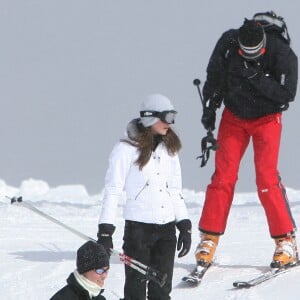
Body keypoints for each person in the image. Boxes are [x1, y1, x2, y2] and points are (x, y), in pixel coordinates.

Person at [195, 13, 298, 270]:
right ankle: (209, 237)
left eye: (255, 54)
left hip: (267, 119)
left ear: (263, 45)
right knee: (223, 177)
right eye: (246, 53)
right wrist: (210, 108)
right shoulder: (228, 44)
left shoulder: (283, 54)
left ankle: (286, 241)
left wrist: (255, 77)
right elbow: (215, 77)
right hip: (234, 116)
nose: (249, 56)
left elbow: (287, 95)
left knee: (266, 179)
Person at [97, 94, 192, 300]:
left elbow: (174, 190)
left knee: (161, 291)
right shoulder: (125, 149)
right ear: (150, 118)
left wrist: (184, 224)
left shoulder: (170, 149)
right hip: (138, 232)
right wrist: (105, 232)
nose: (170, 123)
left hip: (166, 231)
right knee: (135, 291)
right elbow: (113, 190)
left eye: (172, 117)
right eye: (166, 117)